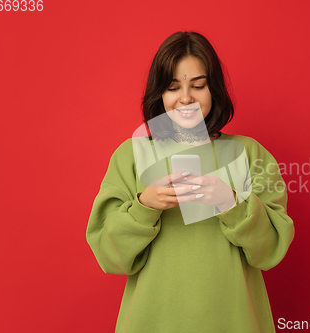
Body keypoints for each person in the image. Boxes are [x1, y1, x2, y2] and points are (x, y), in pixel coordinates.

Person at [86, 31, 295, 333]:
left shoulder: (249, 154)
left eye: (198, 85)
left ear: (214, 90)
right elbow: (109, 255)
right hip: (152, 320)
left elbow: (271, 249)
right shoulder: (131, 154)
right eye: (173, 87)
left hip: (233, 319)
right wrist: (145, 206)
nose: (186, 98)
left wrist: (231, 202)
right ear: (159, 93)